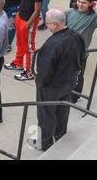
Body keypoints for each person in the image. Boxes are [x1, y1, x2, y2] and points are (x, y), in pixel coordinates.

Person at [29, 9, 86, 151]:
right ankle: (60, 134)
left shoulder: (53, 43)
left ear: (54, 25)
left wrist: (40, 83)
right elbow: (83, 57)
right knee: (62, 109)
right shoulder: (77, 36)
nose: (46, 26)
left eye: (47, 24)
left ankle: (44, 142)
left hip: (51, 86)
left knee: (46, 113)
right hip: (69, 82)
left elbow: (45, 69)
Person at [65, 0, 97, 101]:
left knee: (77, 76)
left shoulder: (93, 17)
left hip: (80, 53)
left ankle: (74, 97)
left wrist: (96, 9)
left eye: (84, 2)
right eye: (79, 1)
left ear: (91, 3)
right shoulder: (69, 12)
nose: (80, 4)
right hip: (66, 50)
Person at [5, 0, 45, 81]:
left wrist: (28, 23)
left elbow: (37, 10)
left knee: (29, 47)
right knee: (20, 43)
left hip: (28, 21)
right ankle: (18, 63)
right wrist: (19, 15)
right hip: (20, 16)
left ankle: (30, 72)